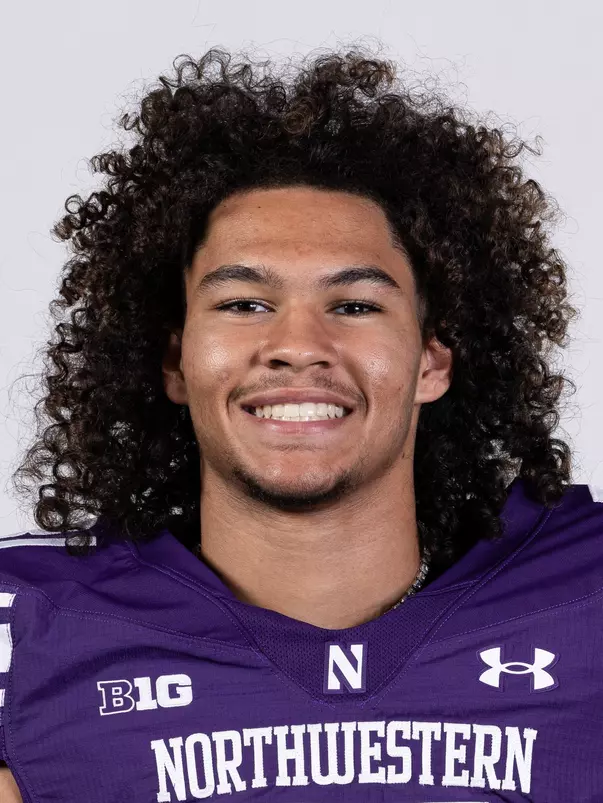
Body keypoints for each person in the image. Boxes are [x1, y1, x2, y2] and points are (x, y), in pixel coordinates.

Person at [0, 44, 600, 803]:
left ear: (431, 361)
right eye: (243, 303)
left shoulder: (584, 591)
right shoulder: (30, 626)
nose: (296, 346)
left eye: (354, 305)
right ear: (176, 361)